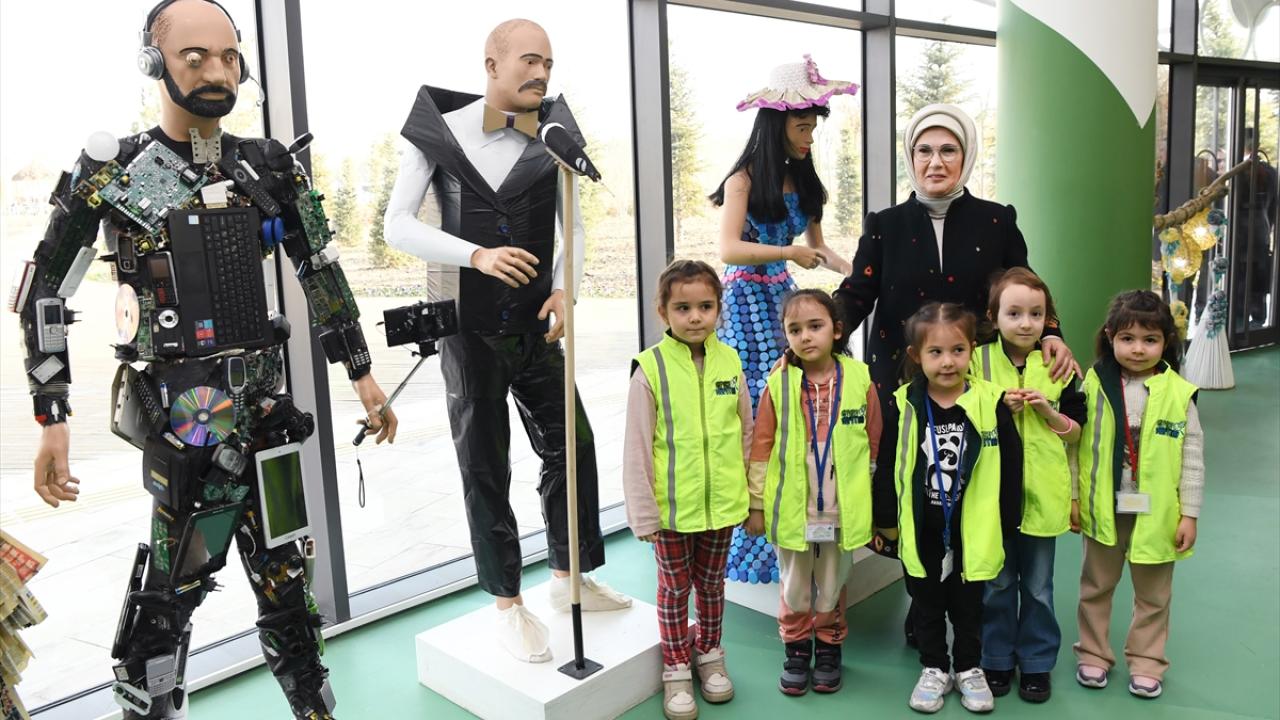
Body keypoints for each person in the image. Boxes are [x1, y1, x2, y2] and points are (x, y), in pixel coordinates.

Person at [16, 2, 397, 717]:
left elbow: (318, 265)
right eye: (194, 58)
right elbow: (45, 290)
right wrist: (52, 416)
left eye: (228, 57)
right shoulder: (113, 171)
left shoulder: (266, 166)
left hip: (266, 420)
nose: (217, 71)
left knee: (290, 589)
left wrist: (362, 372)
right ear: (153, 63)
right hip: (189, 429)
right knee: (167, 602)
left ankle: (315, 707)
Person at [383, 18, 630, 663]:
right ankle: (507, 604)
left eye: (548, 62)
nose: (541, 73)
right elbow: (397, 225)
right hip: (468, 333)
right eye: (529, 60)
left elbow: (573, 226)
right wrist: (476, 255)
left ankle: (569, 578)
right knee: (485, 468)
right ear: (492, 65)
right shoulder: (437, 133)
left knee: (573, 446)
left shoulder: (555, 134)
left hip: (536, 326)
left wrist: (564, 290)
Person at [836, 102, 1075, 648]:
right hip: (904, 378)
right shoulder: (885, 225)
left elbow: (1024, 286)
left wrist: (1052, 331)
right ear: (910, 157)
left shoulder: (996, 220)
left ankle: (969, 613)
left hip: (974, 381)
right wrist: (822, 335)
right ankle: (924, 606)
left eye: (948, 150)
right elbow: (856, 293)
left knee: (969, 487)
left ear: (966, 157)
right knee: (918, 490)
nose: (935, 161)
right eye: (924, 150)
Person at [871, 302, 1022, 714]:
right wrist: (885, 520)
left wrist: (1008, 519)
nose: (948, 362)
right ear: (916, 355)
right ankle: (935, 667)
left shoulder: (990, 402)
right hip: (923, 526)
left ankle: (969, 667)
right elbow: (888, 462)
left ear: (972, 349)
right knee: (926, 602)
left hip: (972, 527)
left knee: (969, 604)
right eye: (935, 352)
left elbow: (1011, 463)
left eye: (957, 350)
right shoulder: (904, 404)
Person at [623, 259, 752, 720]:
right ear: (663, 312)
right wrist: (643, 512)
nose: (695, 317)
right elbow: (637, 446)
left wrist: (749, 496)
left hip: (722, 507)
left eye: (705, 306)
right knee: (675, 590)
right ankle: (676, 666)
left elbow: (745, 432)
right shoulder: (650, 369)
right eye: (683, 308)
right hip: (672, 511)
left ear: (718, 308)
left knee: (712, 586)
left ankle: (710, 653)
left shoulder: (730, 361)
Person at [745, 289, 881, 697]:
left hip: (841, 506)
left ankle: (829, 649)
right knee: (794, 584)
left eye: (815, 326)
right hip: (793, 506)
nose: (805, 336)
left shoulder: (859, 378)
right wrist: (756, 504)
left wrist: (867, 494)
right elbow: (762, 447)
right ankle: (796, 648)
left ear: (836, 330)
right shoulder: (779, 383)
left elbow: (873, 439)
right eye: (795, 329)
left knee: (833, 582)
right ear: (786, 335)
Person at [1073, 290, 1204, 700]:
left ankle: (1147, 661)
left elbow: (1192, 458)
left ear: (1167, 342)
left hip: (1158, 513)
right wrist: (1074, 498)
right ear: (1109, 336)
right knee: (1096, 585)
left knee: (1154, 595)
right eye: (1127, 338)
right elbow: (1075, 448)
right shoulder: (1093, 383)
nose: (1138, 349)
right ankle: (1093, 653)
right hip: (1103, 507)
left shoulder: (1180, 393)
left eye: (1150, 339)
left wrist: (1190, 513)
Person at [711, 54, 855, 412]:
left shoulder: (803, 181)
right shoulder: (742, 181)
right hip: (742, 300)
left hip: (783, 296)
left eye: (812, 129)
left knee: (795, 379)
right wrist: (788, 253)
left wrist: (850, 270)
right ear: (778, 126)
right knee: (752, 383)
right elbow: (729, 249)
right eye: (802, 129)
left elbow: (818, 248)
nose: (809, 138)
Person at [971, 268, 1086, 703]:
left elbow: (1077, 432)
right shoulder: (976, 361)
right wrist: (997, 407)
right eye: (1014, 313)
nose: (1025, 323)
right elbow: (958, 413)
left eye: (1036, 314)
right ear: (993, 316)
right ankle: (996, 658)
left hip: (1043, 496)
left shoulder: (1060, 365)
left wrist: (1049, 414)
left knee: (1038, 588)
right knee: (997, 583)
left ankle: (1037, 663)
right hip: (993, 497)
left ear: (1048, 319)